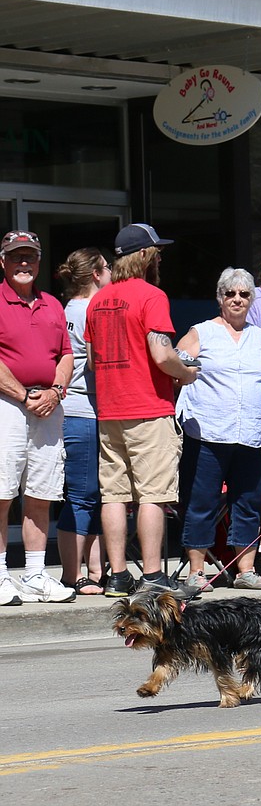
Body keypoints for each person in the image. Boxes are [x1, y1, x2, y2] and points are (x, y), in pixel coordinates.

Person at [85, 223, 199, 599]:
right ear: (146, 255)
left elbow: (91, 359)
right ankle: (153, 575)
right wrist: (186, 373)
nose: (161, 257)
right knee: (152, 493)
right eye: (157, 251)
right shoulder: (152, 295)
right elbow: (162, 353)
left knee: (114, 493)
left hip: (111, 409)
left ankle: (117, 576)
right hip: (149, 407)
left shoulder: (97, 301)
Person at [174, 268, 261, 592]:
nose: (236, 299)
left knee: (247, 503)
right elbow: (176, 369)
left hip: (252, 434)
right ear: (220, 298)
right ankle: (196, 571)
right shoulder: (201, 333)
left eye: (244, 294)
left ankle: (245, 569)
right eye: (230, 293)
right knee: (200, 501)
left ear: (252, 299)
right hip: (209, 432)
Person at [0, 230, 76, 605]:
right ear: (3, 262)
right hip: (7, 404)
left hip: (48, 405)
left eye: (30, 256)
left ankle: (33, 574)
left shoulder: (52, 305)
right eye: (16, 256)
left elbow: (66, 355)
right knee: (0, 493)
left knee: (41, 493)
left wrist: (56, 391)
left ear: (40, 262)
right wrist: (23, 395)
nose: (24, 263)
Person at [55, 247, 111, 596]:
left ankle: (93, 571)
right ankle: (71, 574)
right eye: (106, 269)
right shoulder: (92, 309)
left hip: (79, 410)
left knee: (90, 493)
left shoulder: (66, 310)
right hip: (82, 409)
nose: (111, 276)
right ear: (95, 275)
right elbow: (96, 362)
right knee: (82, 495)